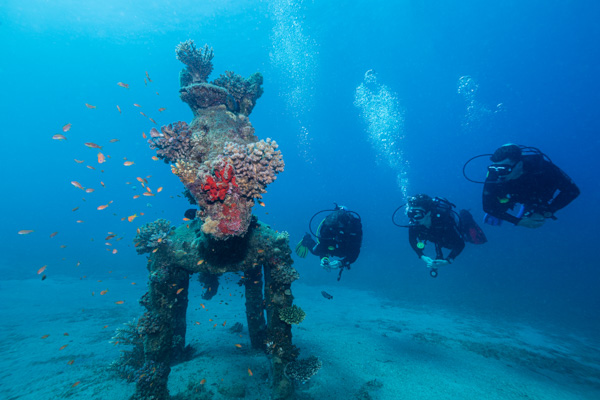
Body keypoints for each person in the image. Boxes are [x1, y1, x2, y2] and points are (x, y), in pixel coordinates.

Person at [482, 144, 580, 228]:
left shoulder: (543, 168)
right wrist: (518, 221)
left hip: (536, 192)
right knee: (497, 205)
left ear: (519, 164)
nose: (499, 174)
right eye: (493, 168)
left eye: (504, 169)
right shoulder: (494, 174)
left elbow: (572, 190)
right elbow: (487, 207)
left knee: (539, 206)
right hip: (511, 195)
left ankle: (530, 207)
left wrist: (549, 210)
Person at [404, 194, 486, 277]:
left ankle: (464, 215)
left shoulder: (444, 221)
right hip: (435, 237)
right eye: (411, 214)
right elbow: (412, 240)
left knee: (463, 237)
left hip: (448, 236)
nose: (414, 218)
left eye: (418, 214)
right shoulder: (414, 223)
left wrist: (448, 260)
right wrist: (422, 256)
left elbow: (460, 244)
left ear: (428, 213)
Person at [295, 204, 363, 281]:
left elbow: (355, 251)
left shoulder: (355, 228)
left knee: (344, 254)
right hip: (332, 244)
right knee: (316, 251)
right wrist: (324, 258)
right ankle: (307, 240)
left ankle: (341, 256)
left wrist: (342, 262)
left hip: (345, 245)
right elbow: (323, 246)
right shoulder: (327, 225)